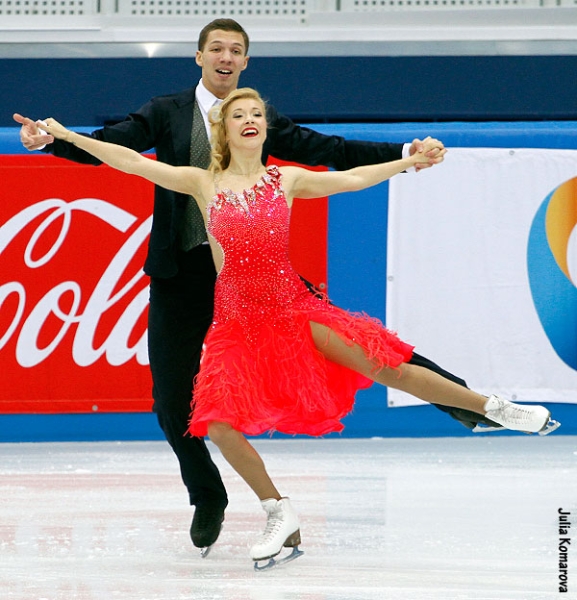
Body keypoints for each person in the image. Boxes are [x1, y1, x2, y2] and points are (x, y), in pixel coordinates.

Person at [13, 18, 500, 555]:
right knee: (174, 402)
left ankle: (472, 404)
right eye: (216, 49)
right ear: (199, 57)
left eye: (236, 51)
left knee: (368, 346)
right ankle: (209, 496)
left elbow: (331, 150)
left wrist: (404, 155)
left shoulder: (259, 118)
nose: (226, 57)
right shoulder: (165, 112)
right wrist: (51, 141)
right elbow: (118, 149)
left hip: (263, 283)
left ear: (246, 62)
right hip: (181, 273)